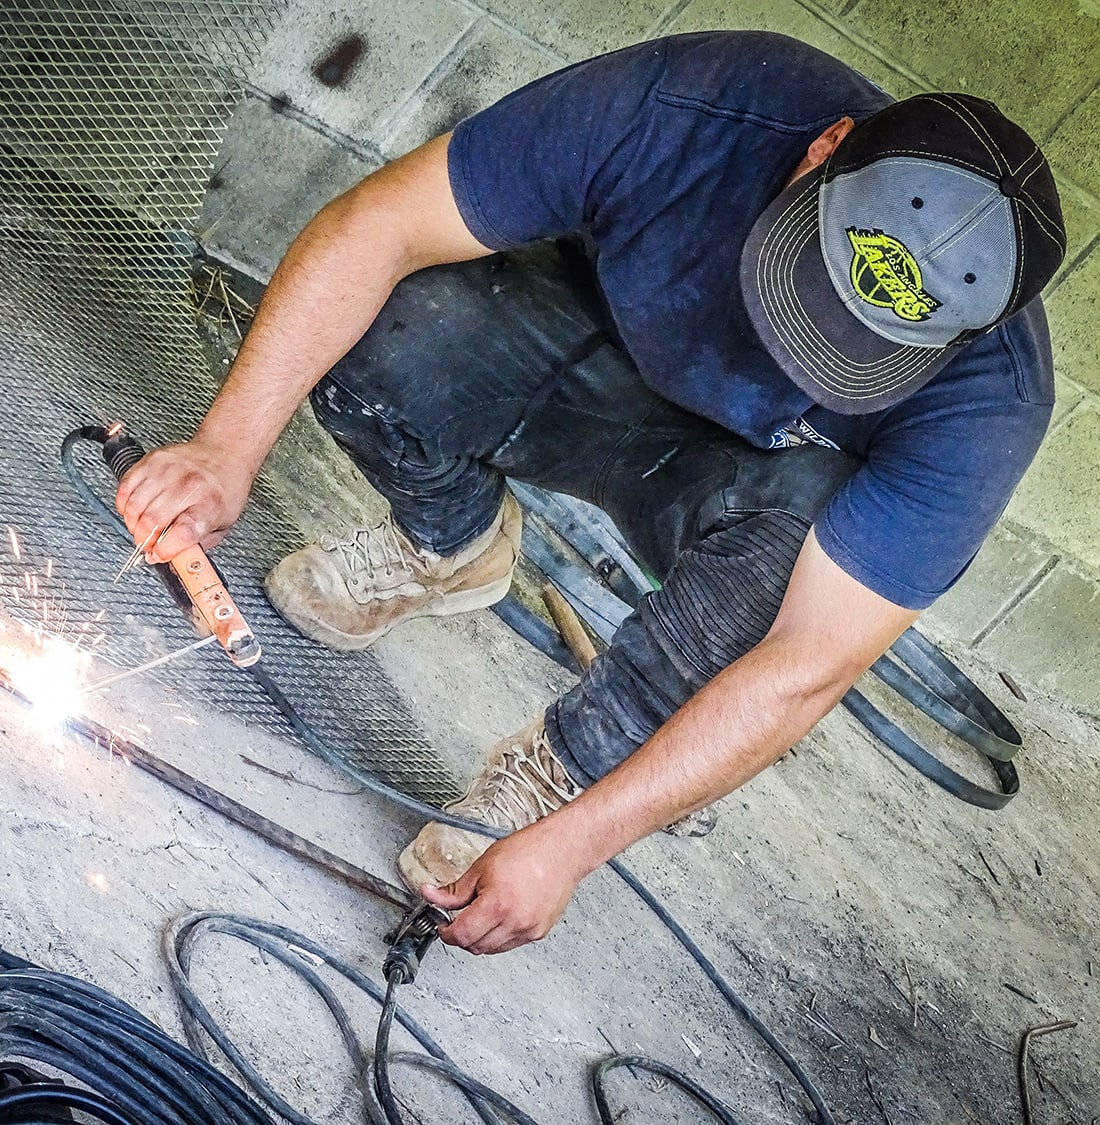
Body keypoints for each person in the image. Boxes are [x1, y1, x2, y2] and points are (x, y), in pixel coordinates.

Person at [116, 31, 1066, 955]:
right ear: (827, 149)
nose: (802, 345)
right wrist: (225, 446)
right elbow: (380, 225)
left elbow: (806, 663)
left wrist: (579, 840)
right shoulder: (690, 105)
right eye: (809, 286)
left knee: (792, 593)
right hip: (589, 363)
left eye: (854, 342)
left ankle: (558, 774)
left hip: (743, 500)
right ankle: (450, 544)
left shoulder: (990, 404)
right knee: (392, 322)